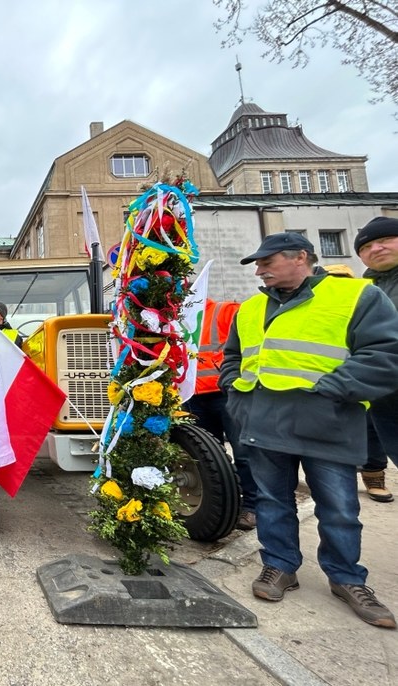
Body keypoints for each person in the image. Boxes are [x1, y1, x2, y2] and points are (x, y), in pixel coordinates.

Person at [220, 232, 398, 629]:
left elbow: (385, 354)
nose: (260, 270)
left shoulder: (356, 297)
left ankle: (347, 577)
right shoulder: (250, 309)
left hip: (328, 424)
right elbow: (233, 357)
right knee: (270, 501)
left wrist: (332, 390)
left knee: (339, 509)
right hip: (264, 422)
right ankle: (280, 566)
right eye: (258, 264)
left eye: (268, 262)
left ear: (301, 257)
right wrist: (236, 395)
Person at [185, 298, 258, 531]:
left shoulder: (224, 311)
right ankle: (224, 504)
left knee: (244, 452)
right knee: (208, 457)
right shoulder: (176, 320)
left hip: (225, 393)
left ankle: (253, 507)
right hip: (194, 397)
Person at [353, 217, 398, 503]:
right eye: (367, 245)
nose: (376, 248)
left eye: (385, 240)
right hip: (385, 395)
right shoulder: (364, 291)